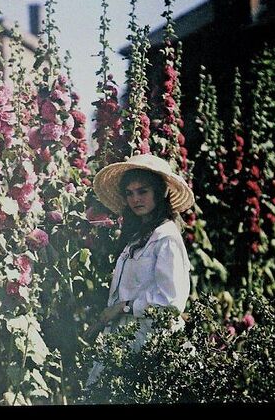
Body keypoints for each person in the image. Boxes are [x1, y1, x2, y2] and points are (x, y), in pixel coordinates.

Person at [84, 153, 194, 387]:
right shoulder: (138, 237)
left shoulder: (166, 238)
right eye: (129, 193)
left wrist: (122, 308)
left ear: (160, 193)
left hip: (151, 339)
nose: (136, 199)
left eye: (142, 191)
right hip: (125, 337)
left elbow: (171, 301)